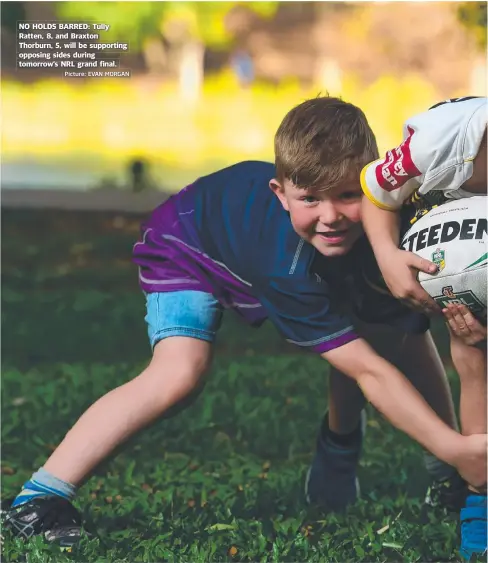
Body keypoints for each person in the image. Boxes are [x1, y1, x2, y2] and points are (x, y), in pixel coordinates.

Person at [3, 97, 486, 553]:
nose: (332, 216)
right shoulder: (287, 265)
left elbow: (405, 340)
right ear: (281, 194)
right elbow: (367, 371)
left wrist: (450, 455)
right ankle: (37, 501)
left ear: (371, 181)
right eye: (310, 198)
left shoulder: (388, 217)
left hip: (260, 238)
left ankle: (437, 475)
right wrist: (452, 443)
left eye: (346, 195)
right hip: (189, 245)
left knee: (392, 331)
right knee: (179, 374)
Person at [360, 96, 487, 560]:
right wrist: (388, 258)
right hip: (449, 223)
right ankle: (482, 498)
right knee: (471, 350)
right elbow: (374, 192)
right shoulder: (437, 143)